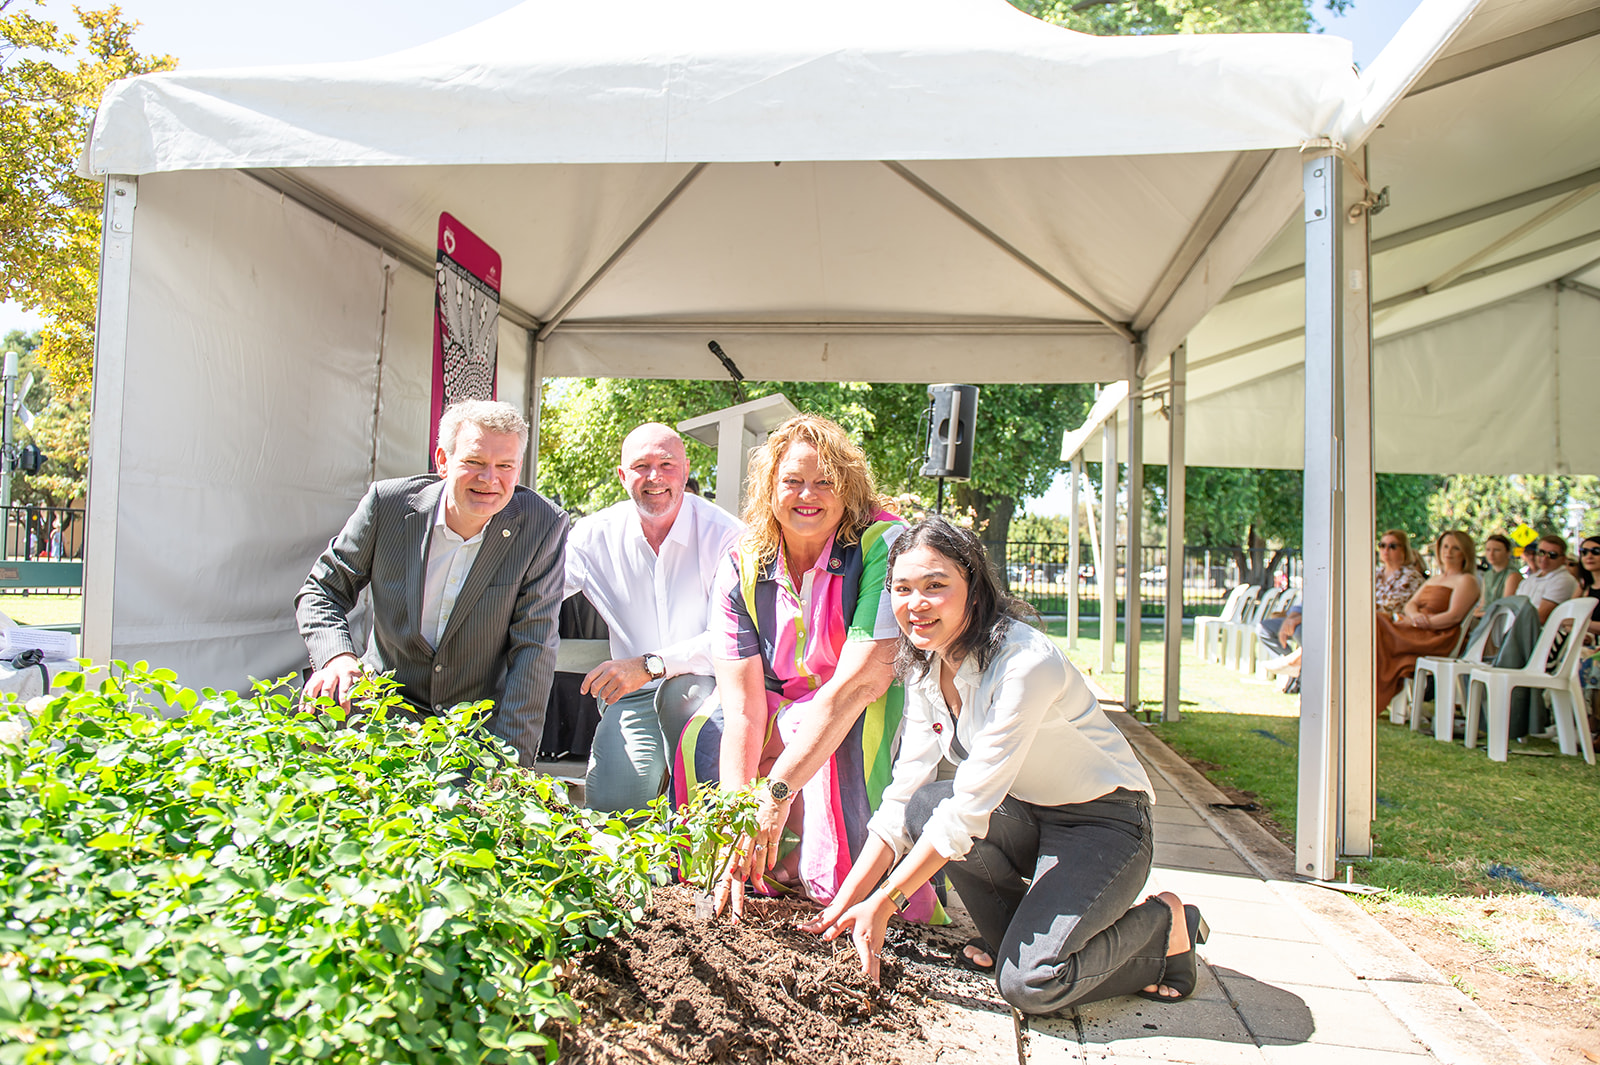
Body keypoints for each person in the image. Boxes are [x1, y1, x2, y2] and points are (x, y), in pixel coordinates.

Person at [803, 516, 1206, 1012]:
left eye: (936, 585)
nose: (917, 603)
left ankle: (1164, 928)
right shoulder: (928, 662)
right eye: (903, 588)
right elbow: (904, 792)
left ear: (973, 588)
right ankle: (1026, 942)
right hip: (1026, 814)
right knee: (926, 805)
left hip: (1105, 824)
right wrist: (845, 902)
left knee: (1032, 984)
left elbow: (969, 811)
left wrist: (886, 903)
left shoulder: (1024, 664)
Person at [677, 413, 933, 920]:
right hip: (776, 696)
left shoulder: (884, 544)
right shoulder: (742, 560)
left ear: (849, 489)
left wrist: (774, 794)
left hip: (867, 694)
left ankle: (837, 886)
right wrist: (739, 811)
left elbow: (863, 680)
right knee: (703, 733)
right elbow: (744, 704)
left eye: (825, 482)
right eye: (791, 481)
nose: (806, 495)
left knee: (827, 733)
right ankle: (733, 871)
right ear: (770, 489)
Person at [297, 400, 567, 767]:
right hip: (380, 704)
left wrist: (510, 766)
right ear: (442, 460)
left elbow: (533, 649)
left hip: (474, 723)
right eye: (474, 462)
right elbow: (322, 590)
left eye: (505, 466)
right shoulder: (387, 506)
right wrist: (337, 657)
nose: (490, 479)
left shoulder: (541, 526)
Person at [563, 423, 741, 812]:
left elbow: (734, 638)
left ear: (686, 469)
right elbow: (539, 596)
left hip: (710, 690)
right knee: (611, 808)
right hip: (634, 693)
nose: (655, 476)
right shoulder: (592, 534)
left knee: (701, 789)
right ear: (622, 475)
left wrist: (651, 664)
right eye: (641, 466)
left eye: (667, 464)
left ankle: (698, 853)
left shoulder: (726, 534)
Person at [1374, 530, 1480, 713]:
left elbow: (1454, 616)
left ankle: (1374, 692)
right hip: (1416, 626)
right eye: (1445, 547)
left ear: (1465, 553)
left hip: (1436, 635)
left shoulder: (1467, 581)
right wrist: (1414, 616)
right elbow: (1411, 604)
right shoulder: (1436, 578)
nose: (1448, 552)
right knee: (1374, 623)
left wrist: (1423, 623)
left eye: (1455, 548)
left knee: (1377, 622)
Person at [1518, 534, 1578, 626]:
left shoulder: (1564, 580)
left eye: (1552, 555)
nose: (1545, 558)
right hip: (1523, 628)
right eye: (1541, 553)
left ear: (1563, 559)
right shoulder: (1530, 579)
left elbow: (1541, 618)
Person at [1376, 529, 1426, 615]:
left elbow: (1395, 608)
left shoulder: (1411, 577)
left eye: (1392, 546)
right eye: (1382, 545)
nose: (1386, 550)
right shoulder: (1374, 574)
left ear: (1404, 549)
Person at [1475, 533, 1522, 617]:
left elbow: (1505, 608)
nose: (1491, 554)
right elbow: (1483, 604)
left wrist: (1478, 614)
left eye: (1496, 550)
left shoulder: (1512, 575)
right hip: (1484, 616)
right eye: (1488, 550)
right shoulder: (1487, 574)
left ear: (1507, 553)